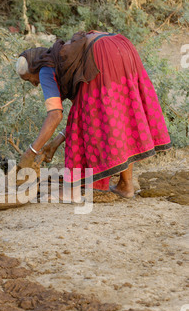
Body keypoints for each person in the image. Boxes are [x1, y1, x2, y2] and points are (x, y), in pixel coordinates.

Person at [16, 30, 171, 199]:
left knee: (84, 122)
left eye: (28, 78)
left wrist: (30, 153)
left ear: (35, 67)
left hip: (102, 53)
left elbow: (55, 116)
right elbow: (83, 113)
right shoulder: (66, 57)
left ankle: (71, 190)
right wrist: (55, 143)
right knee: (120, 116)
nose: (33, 84)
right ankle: (125, 185)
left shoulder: (46, 70)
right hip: (120, 45)